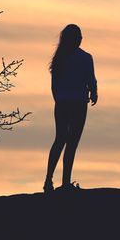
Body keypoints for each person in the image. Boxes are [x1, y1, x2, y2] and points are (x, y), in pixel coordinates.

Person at [44, 23, 98, 192]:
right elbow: (91, 80)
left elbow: (54, 86)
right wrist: (93, 93)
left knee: (60, 139)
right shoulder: (85, 58)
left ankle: (48, 180)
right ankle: (65, 182)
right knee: (72, 142)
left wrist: (59, 100)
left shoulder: (59, 58)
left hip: (62, 103)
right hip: (79, 103)